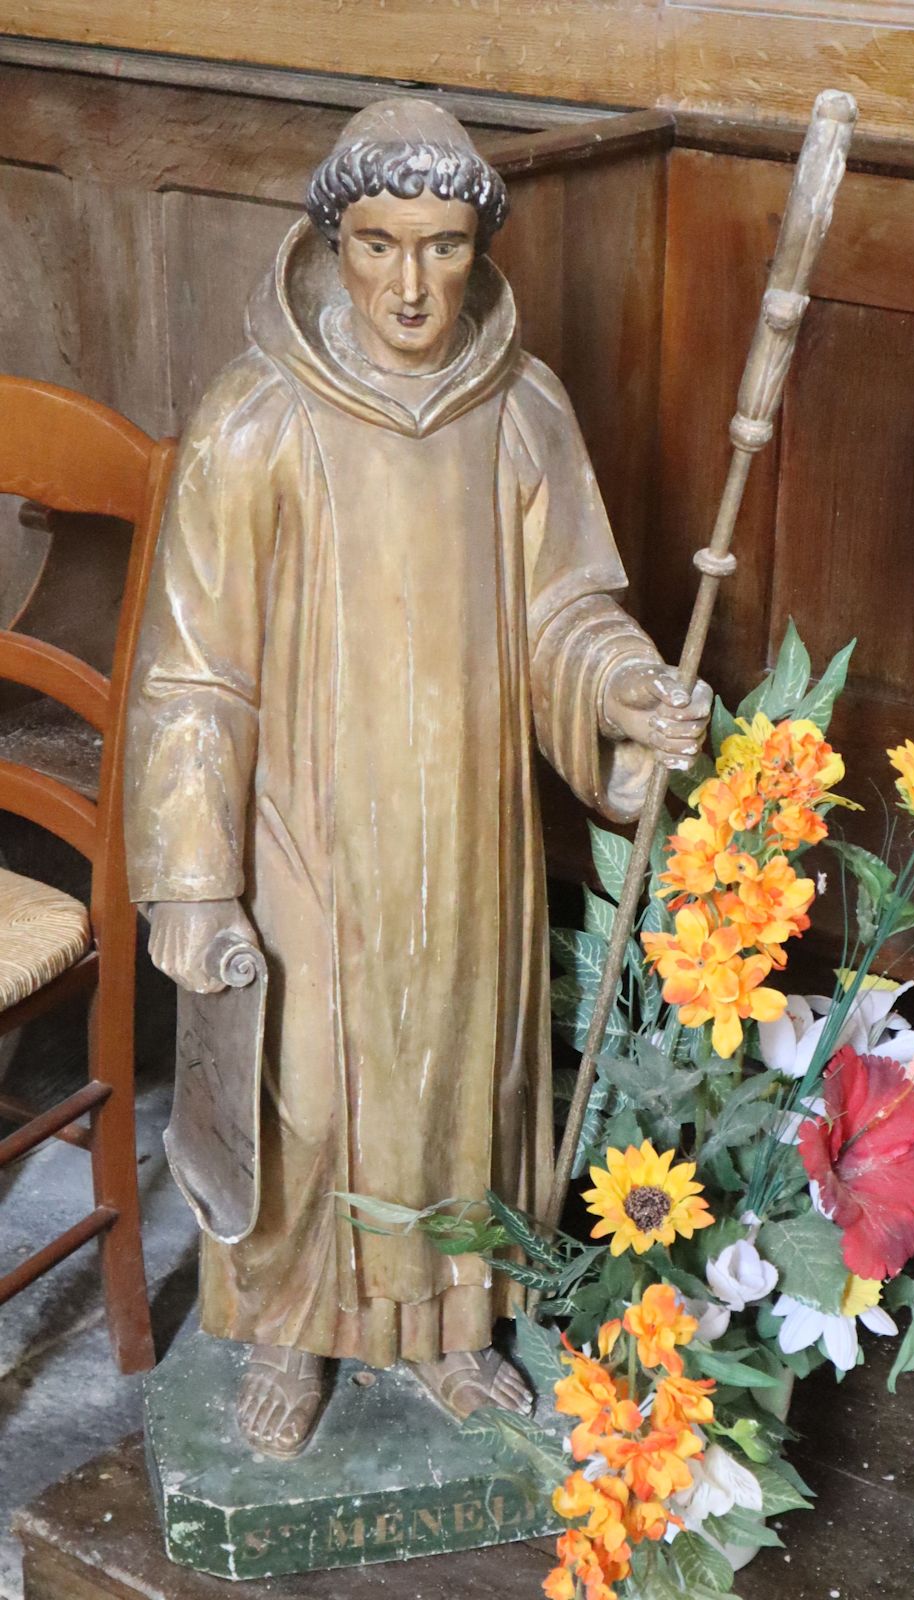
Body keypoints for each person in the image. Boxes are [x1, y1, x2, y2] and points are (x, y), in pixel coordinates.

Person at [125, 97, 712, 1460]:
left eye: (443, 249)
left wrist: (630, 691)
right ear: (333, 238)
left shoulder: (522, 408)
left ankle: (451, 1328)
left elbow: (568, 610)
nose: (409, 284)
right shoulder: (253, 420)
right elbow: (195, 676)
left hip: (466, 824)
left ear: (478, 249)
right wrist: (198, 885)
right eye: (381, 244)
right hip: (307, 831)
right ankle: (289, 1327)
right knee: (310, 1093)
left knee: (461, 1083)